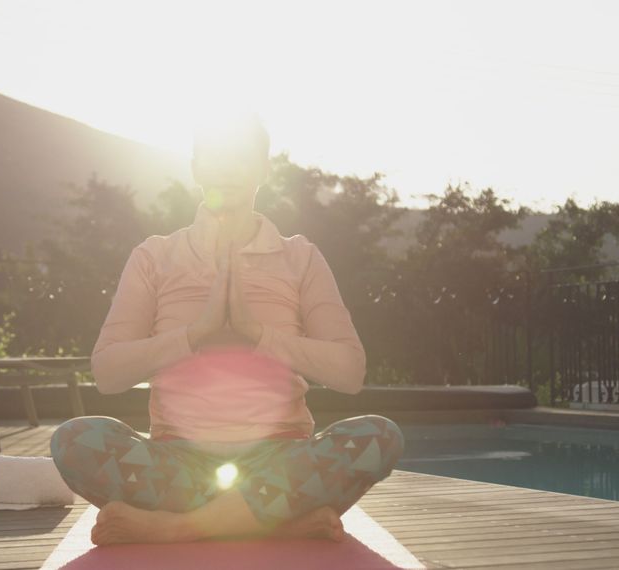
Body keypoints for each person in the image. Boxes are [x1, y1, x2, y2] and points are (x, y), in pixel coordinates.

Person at [50, 113, 404, 545]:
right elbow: (107, 372)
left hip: (281, 457)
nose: (227, 169)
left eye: (241, 158)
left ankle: (177, 527)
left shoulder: (300, 258)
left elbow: (350, 372)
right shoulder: (155, 256)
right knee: (74, 440)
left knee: (379, 435)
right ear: (196, 168)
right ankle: (274, 520)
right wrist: (197, 333)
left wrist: (256, 332)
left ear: (264, 170)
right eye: (215, 158)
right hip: (179, 460)